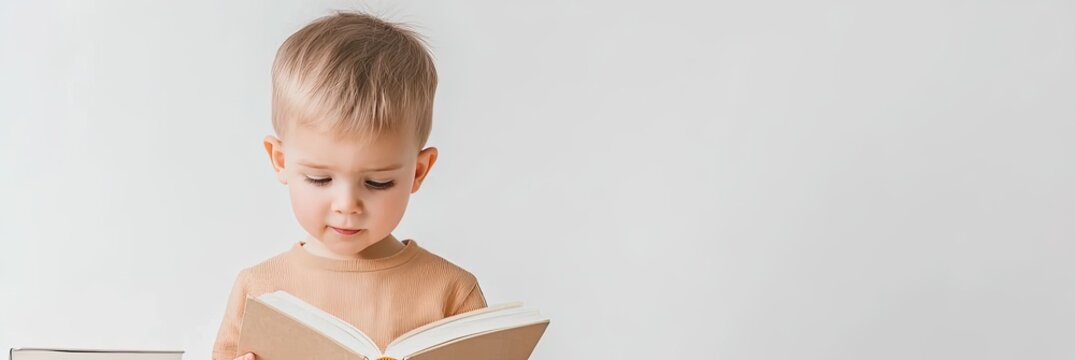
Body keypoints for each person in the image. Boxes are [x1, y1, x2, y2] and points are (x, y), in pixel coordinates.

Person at [212, 11, 487, 360]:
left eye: (378, 182)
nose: (347, 204)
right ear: (280, 160)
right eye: (319, 178)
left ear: (418, 171)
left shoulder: (452, 292)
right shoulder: (259, 290)